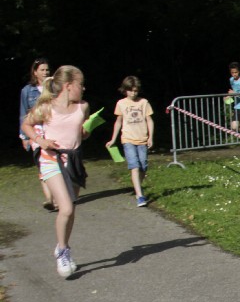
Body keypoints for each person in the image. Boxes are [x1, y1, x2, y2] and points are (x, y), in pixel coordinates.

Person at [21, 65, 90, 278]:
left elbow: (80, 132)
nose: (84, 88)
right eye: (80, 84)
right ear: (68, 86)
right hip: (51, 160)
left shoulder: (83, 107)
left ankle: (64, 246)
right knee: (66, 208)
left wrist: (85, 132)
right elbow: (26, 125)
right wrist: (40, 140)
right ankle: (62, 252)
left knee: (71, 211)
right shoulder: (46, 108)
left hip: (73, 161)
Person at [106, 76, 155, 207]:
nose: (133, 93)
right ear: (125, 90)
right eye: (130, 90)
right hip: (128, 139)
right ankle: (140, 196)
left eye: (135, 90)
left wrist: (150, 137)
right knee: (135, 166)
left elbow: (149, 120)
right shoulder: (121, 103)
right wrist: (113, 139)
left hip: (142, 139)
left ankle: (137, 186)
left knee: (143, 166)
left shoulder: (144, 102)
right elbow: (118, 122)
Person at [19, 58, 55, 211]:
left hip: (52, 129)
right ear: (35, 72)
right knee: (41, 163)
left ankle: (56, 195)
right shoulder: (27, 91)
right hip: (35, 131)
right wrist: (24, 136)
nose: (45, 72)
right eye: (42, 70)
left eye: (47, 69)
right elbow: (23, 114)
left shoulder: (54, 87)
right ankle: (49, 198)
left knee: (54, 161)